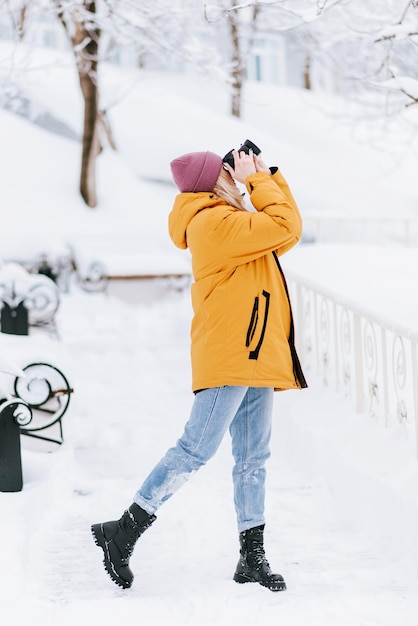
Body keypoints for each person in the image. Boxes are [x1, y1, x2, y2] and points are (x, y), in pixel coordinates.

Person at [91, 144, 307, 592]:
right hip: (231, 354)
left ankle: (252, 556)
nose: (239, 174)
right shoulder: (212, 222)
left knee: (253, 460)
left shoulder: (234, 219)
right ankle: (124, 530)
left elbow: (286, 234)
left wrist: (268, 175)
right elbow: (283, 223)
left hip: (253, 354)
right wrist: (258, 182)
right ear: (217, 180)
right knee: (194, 450)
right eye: (232, 171)